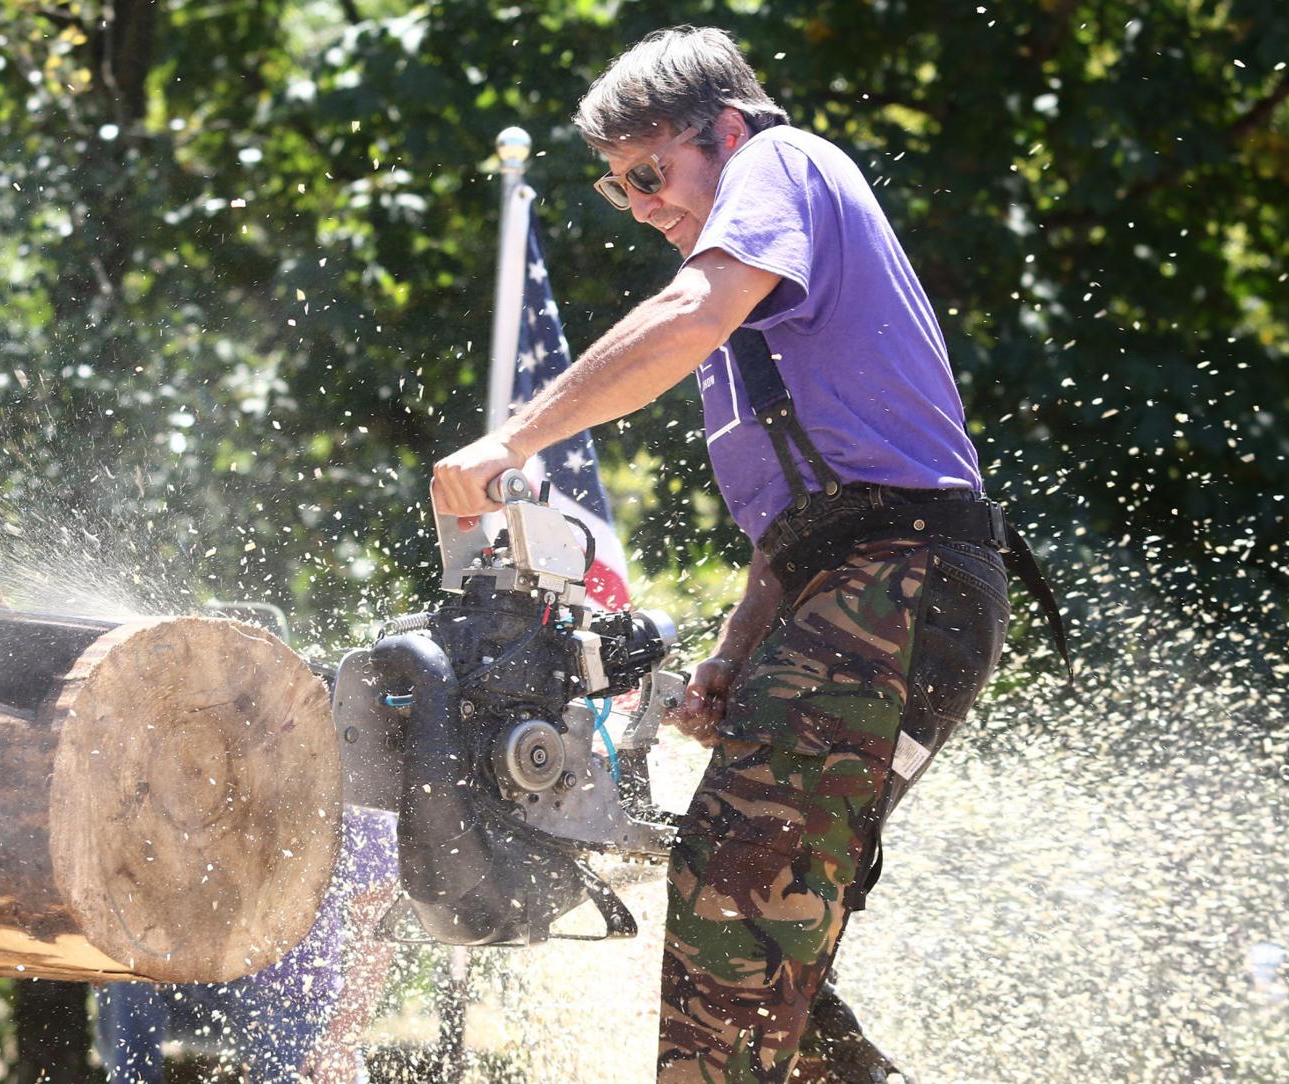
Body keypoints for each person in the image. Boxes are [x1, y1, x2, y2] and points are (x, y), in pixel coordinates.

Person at [432, 26, 1064, 1084]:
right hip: (871, 577)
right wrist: (739, 647)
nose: (640, 205)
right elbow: (801, 527)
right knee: (759, 910)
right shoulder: (752, 302)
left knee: (740, 882)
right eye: (616, 189)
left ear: (725, 131)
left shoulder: (780, 165)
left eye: (649, 172)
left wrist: (516, 438)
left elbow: (692, 315)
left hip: (902, 575)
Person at [94, 806, 399, 1083]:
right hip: (191, 982)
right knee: (129, 976)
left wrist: (341, 1043)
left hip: (289, 997)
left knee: (329, 1074)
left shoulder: (360, 797)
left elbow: (374, 943)